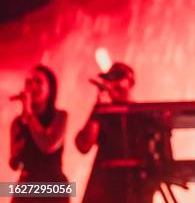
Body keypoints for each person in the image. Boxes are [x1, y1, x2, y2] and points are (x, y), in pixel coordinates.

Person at [76, 62, 159, 203]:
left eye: (118, 79)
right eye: (109, 80)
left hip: (137, 188)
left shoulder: (144, 115)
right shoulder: (103, 114)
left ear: (131, 82)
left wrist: (151, 183)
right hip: (106, 189)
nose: (112, 84)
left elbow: (158, 153)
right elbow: (84, 145)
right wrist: (97, 110)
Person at [8, 65, 69, 203]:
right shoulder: (18, 122)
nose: (32, 87)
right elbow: (14, 164)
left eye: (38, 82)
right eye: (28, 82)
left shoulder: (60, 116)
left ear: (50, 88)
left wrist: (29, 115)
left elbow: (48, 145)